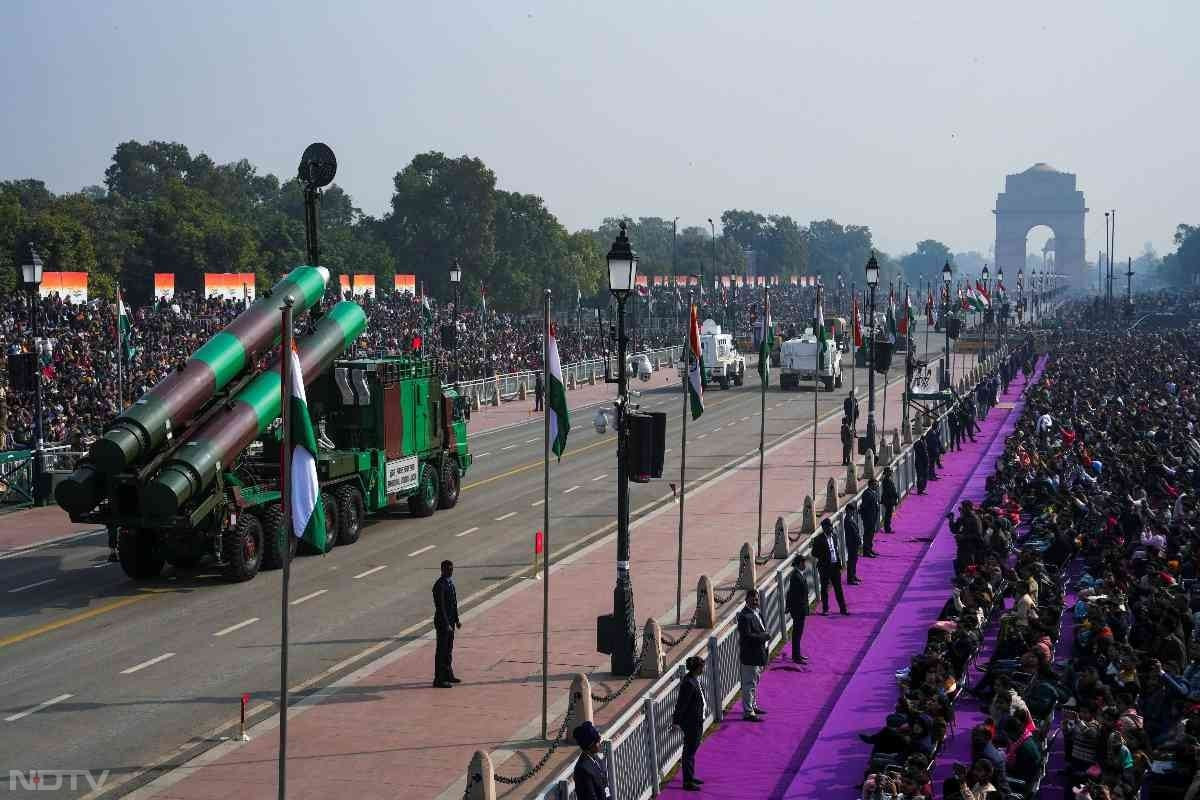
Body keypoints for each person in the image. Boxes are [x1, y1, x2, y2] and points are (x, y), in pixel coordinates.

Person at [672, 655, 708, 790]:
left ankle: (690, 776)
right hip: (691, 723)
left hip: (696, 721)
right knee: (689, 751)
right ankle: (687, 781)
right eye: (702, 667)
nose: (703, 669)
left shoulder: (693, 680)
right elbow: (681, 704)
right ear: (697, 668)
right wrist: (676, 721)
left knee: (692, 750)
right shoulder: (688, 683)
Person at [737, 589, 770, 721]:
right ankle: (748, 712)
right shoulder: (744, 616)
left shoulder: (757, 612)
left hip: (758, 654)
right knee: (749, 684)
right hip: (750, 656)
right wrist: (764, 637)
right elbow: (747, 637)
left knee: (755, 682)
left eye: (757, 599)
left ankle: (753, 705)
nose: (756, 601)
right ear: (747, 600)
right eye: (754, 599)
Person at [432, 559, 461, 687]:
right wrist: (446, 624)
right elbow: (441, 607)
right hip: (443, 623)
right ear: (442, 570)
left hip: (450, 622)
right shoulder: (439, 585)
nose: (450, 571)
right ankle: (439, 679)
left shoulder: (450, 583)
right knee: (441, 651)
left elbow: (453, 604)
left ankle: (448, 674)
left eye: (452, 569)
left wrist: (457, 620)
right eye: (448, 569)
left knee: (448, 650)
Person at [812, 518, 848, 615]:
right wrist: (824, 556)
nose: (831, 528)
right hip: (825, 567)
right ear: (824, 528)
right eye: (828, 526)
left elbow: (836, 550)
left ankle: (843, 609)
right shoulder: (818, 539)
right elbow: (814, 553)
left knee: (838, 588)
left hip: (835, 566)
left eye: (831, 526)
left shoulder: (834, 536)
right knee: (824, 589)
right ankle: (825, 609)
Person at [571, 721, 610, 800]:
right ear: (590, 745)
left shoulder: (595, 758)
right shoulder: (582, 769)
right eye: (597, 742)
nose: (600, 744)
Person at [786, 557, 810, 663]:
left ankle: (797, 654)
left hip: (800, 609)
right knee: (797, 633)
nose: (805, 564)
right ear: (799, 563)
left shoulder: (798, 574)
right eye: (803, 562)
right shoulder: (796, 577)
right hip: (798, 610)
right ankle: (796, 656)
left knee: (798, 633)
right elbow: (793, 595)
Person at [860, 478, 880, 559]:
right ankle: (866, 551)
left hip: (872, 517)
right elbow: (864, 507)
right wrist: (867, 517)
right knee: (867, 535)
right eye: (875, 484)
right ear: (871, 484)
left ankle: (870, 549)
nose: (877, 486)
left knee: (871, 534)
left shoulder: (872, 493)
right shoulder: (867, 493)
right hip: (868, 518)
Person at [881, 466, 899, 536]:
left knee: (888, 514)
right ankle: (887, 528)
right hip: (888, 500)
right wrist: (894, 497)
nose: (891, 472)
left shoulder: (887, 479)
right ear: (886, 473)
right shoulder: (886, 480)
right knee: (888, 515)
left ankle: (887, 527)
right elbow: (889, 491)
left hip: (889, 500)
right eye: (889, 471)